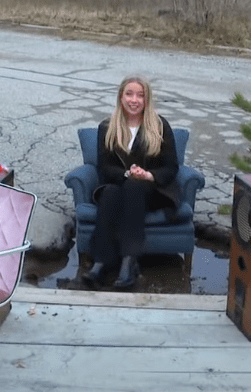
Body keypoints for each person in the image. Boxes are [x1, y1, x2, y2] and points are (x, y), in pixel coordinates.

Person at [82, 75, 180, 289]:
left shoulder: (160, 126)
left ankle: (129, 262)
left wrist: (148, 175)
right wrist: (128, 174)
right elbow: (105, 168)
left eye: (140, 95)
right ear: (121, 97)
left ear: (147, 100)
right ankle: (101, 263)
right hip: (120, 186)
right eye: (129, 94)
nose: (134, 100)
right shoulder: (107, 127)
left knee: (135, 186)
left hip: (154, 191)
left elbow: (171, 167)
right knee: (110, 193)